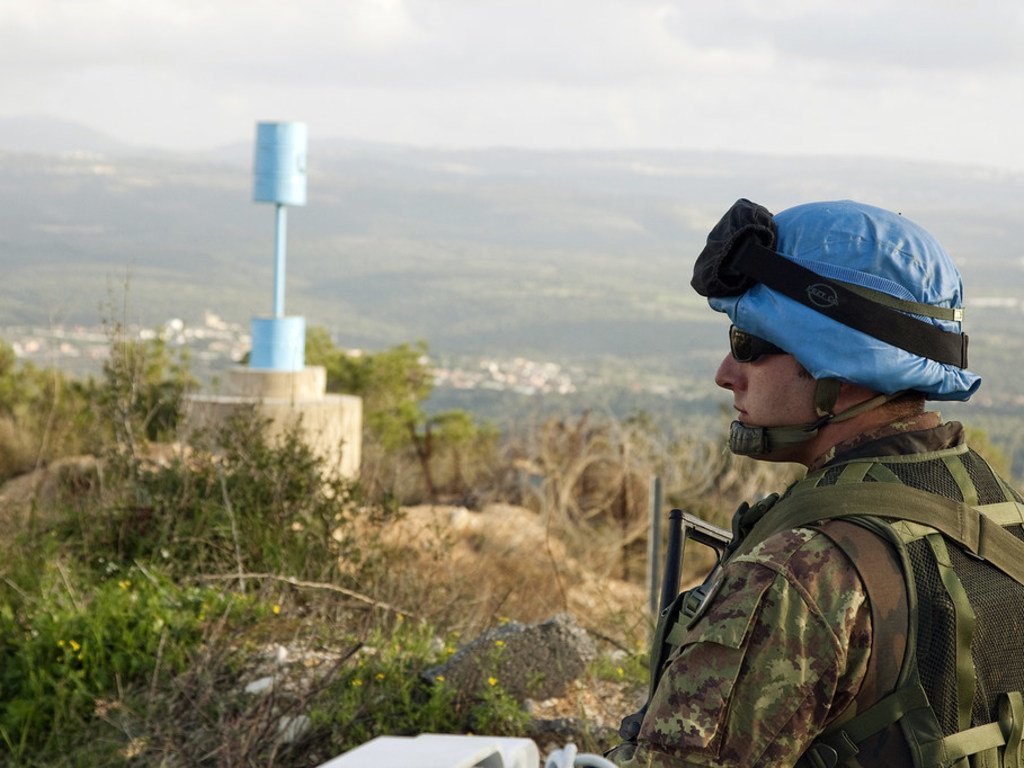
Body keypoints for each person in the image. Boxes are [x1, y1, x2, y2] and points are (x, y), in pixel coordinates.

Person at [607, 199, 1024, 767]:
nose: (726, 374)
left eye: (747, 345)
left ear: (845, 370)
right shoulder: (1008, 515)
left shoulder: (798, 576)